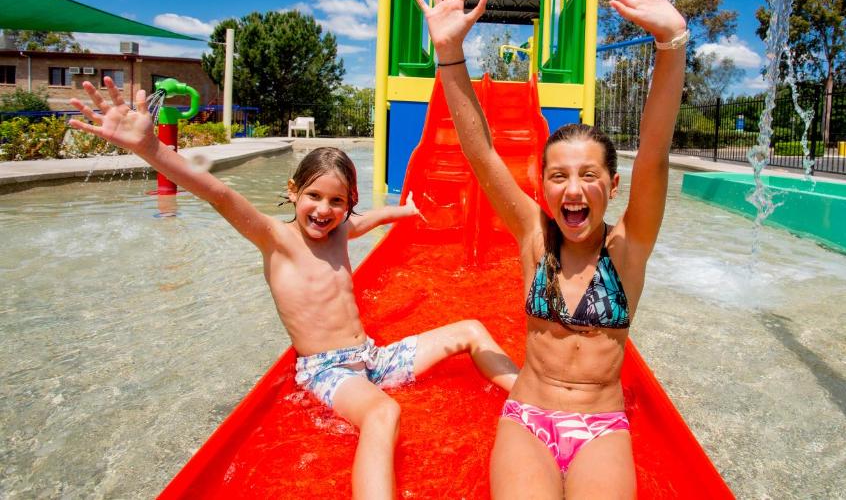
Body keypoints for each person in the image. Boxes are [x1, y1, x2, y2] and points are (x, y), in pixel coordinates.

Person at [68, 82, 519, 500]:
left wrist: (406, 209)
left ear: (348, 205)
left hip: (372, 357)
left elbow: (372, 219)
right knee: (383, 416)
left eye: (337, 201)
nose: (324, 210)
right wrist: (152, 149)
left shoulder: (342, 232)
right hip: (328, 372)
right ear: (293, 191)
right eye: (315, 197)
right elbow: (219, 194)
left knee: (472, 330)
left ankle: (534, 402)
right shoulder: (276, 240)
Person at [414, 0, 687, 498]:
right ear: (542, 185)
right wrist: (449, 53)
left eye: (589, 175)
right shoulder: (534, 237)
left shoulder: (628, 248)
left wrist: (673, 42)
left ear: (612, 183)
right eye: (558, 175)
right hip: (529, 417)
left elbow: (654, 153)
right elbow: (481, 152)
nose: (573, 189)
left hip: (600, 426)